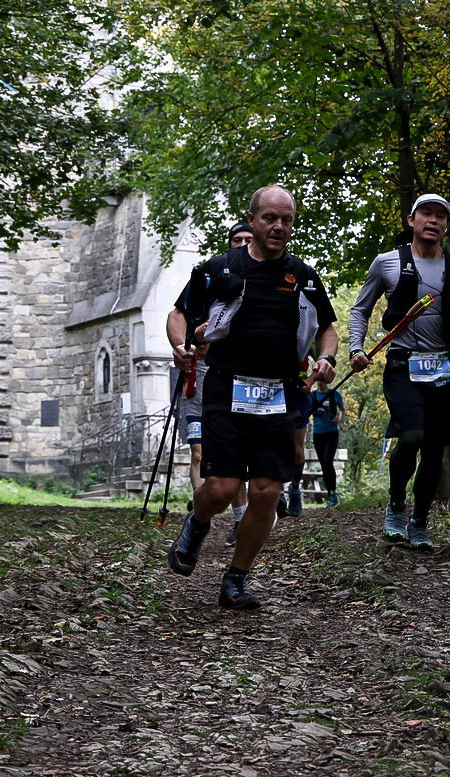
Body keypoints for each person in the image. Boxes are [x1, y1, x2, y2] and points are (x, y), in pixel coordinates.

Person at [167, 185, 338, 609]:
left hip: (279, 393)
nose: (278, 227)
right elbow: (179, 314)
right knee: (222, 489)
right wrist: (181, 344)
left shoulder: (302, 276)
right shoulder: (220, 269)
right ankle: (199, 520)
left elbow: (326, 329)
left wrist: (326, 358)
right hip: (226, 387)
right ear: (253, 218)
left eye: (286, 220)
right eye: (269, 219)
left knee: (265, 492)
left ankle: (236, 578)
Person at [348, 193, 450, 550]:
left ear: (446, 226)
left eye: (441, 216)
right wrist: (356, 348)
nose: (434, 220)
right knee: (411, 437)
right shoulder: (388, 263)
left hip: (441, 365)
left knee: (435, 448)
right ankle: (396, 505)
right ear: (411, 220)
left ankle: (420, 520)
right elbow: (360, 310)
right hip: (401, 361)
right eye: (426, 213)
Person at [170, 221, 254, 546]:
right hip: (199, 376)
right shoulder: (210, 274)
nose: (243, 244)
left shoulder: (266, 279)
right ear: (229, 243)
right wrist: (181, 346)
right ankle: (199, 512)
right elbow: (177, 314)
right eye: (237, 239)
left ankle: (238, 519)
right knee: (197, 452)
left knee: (236, 457)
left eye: (248, 239)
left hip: (238, 379)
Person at [309, 377, 344, 507]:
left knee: (328, 461)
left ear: (327, 381)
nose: (320, 382)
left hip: (331, 432)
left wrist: (340, 419)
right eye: (318, 380)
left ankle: (333, 493)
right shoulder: (312, 395)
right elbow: (306, 409)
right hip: (317, 433)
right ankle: (330, 494)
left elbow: (342, 409)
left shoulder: (334, 394)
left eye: (322, 380)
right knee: (324, 464)